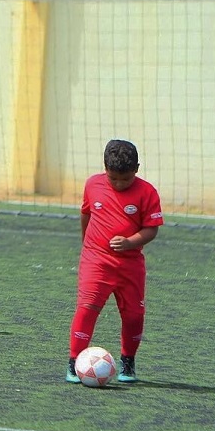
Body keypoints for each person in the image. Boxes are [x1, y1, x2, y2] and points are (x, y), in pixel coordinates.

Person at [66, 139, 163, 384]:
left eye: (126, 179)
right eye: (113, 178)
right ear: (104, 168)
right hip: (96, 259)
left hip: (130, 264)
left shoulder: (147, 192)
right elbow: (86, 214)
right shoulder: (92, 184)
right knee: (87, 307)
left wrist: (131, 242)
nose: (119, 184)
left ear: (137, 169)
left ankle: (128, 362)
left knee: (133, 315)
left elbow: (151, 229)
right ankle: (74, 361)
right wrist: (88, 245)